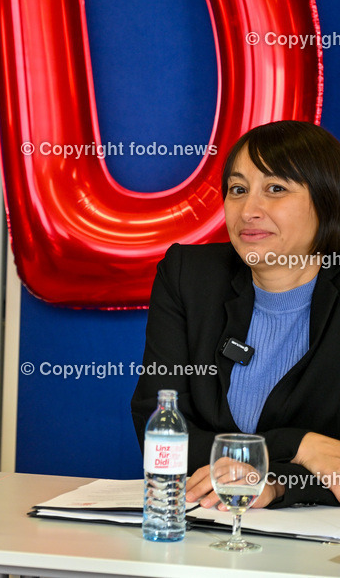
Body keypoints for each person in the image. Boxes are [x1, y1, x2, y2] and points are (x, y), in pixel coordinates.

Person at [132, 120, 340, 510]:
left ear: (329, 198)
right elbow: (160, 429)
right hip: (205, 521)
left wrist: (278, 484)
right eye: (238, 190)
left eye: (276, 189)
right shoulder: (189, 276)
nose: (248, 210)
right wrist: (300, 445)